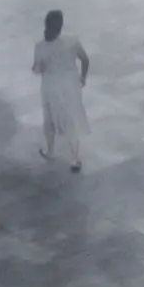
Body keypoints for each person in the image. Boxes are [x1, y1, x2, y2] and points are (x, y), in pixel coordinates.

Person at [34, 11, 91, 172]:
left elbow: (38, 69)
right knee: (71, 120)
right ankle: (75, 159)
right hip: (71, 85)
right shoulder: (72, 41)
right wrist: (83, 78)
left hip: (50, 87)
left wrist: (37, 68)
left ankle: (51, 151)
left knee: (49, 119)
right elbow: (85, 59)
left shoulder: (40, 47)